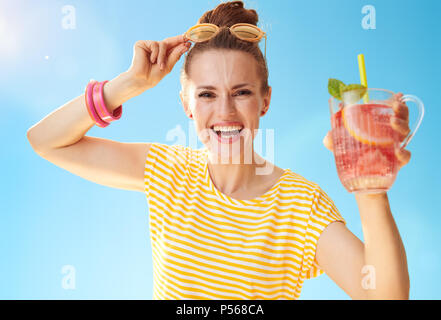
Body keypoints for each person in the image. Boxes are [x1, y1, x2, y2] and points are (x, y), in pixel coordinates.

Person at [27, 1, 411, 299]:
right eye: (207, 94)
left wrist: (370, 187)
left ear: (265, 101)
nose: (225, 111)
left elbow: (383, 294)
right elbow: (45, 140)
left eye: (241, 93)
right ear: (186, 105)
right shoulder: (167, 171)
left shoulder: (301, 206)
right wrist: (129, 84)